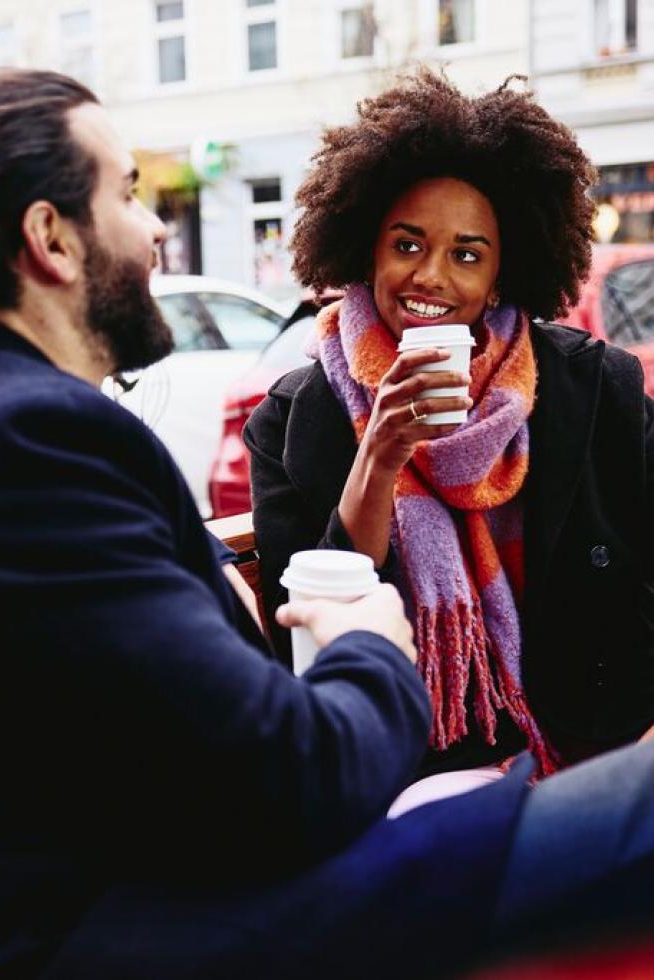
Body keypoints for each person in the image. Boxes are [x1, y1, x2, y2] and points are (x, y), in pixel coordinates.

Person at [0, 69, 654, 980]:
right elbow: (297, 783)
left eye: (467, 254)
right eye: (125, 194)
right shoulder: (16, 441)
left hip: (147, 896)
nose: (157, 227)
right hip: (132, 935)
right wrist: (370, 643)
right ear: (51, 239)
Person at [246, 68, 654, 779]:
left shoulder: (591, 385)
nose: (429, 276)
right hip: (414, 765)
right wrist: (378, 454)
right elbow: (304, 629)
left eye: (465, 255)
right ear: (366, 250)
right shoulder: (294, 417)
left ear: (499, 276)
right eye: (406, 245)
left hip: (595, 748)